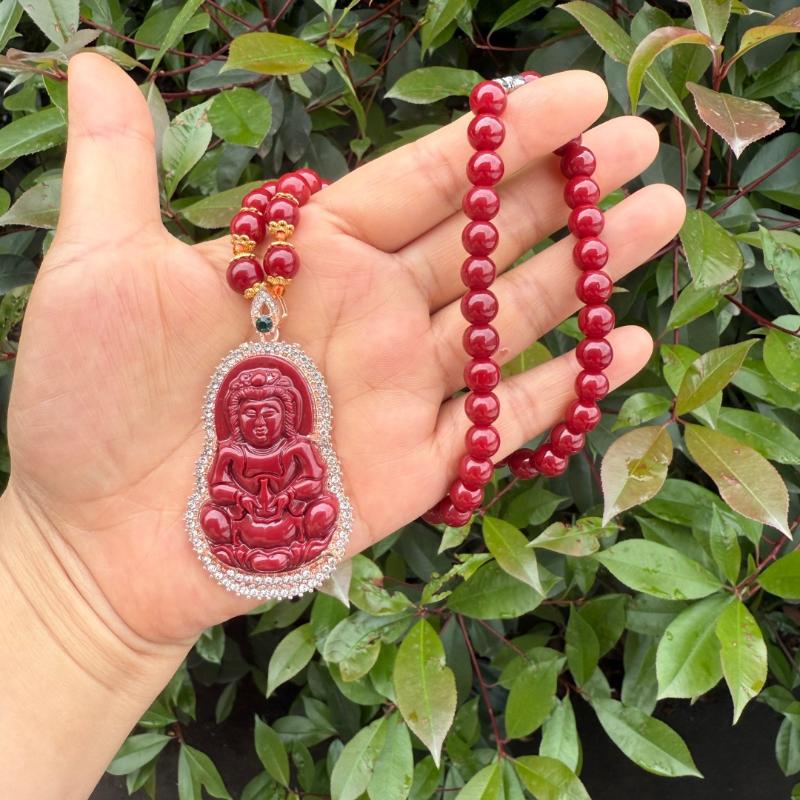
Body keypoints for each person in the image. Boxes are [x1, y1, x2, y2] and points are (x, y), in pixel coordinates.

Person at [0, 52, 685, 798]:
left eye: (271, 410)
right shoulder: (231, 452)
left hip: (292, 523)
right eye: (249, 412)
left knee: (320, 509)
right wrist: (63, 568)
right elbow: (222, 491)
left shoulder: (299, 447)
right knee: (227, 513)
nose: (261, 420)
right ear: (234, 416)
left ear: (292, 412)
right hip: (243, 527)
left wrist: (292, 497)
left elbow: (309, 492)